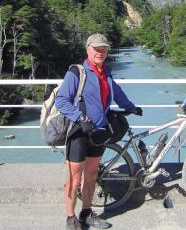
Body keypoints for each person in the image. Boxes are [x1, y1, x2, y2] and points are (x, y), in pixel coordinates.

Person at [55, 33, 142, 230]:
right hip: (79, 133)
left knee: (92, 174)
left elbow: (117, 94)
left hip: (99, 132)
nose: (100, 52)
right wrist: (80, 118)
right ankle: (70, 219)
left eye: (103, 49)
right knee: (74, 179)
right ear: (87, 50)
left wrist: (131, 107)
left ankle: (86, 214)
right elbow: (61, 100)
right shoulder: (77, 73)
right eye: (96, 49)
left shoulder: (107, 74)